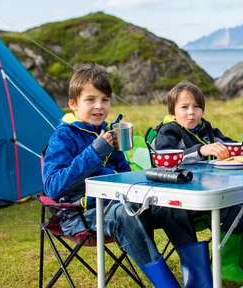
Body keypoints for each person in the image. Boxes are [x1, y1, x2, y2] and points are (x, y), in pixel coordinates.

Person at [43, 64, 211, 288]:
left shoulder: (107, 131)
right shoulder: (64, 136)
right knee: (126, 213)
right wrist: (94, 153)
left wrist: (119, 156)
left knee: (171, 206)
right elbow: (53, 186)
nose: (99, 106)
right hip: (78, 215)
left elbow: (124, 177)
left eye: (105, 99)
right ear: (73, 104)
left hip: (118, 204)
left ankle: (200, 283)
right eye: (90, 100)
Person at [155, 81, 243, 284]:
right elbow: (165, 158)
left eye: (196, 107)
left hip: (212, 192)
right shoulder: (168, 131)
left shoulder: (207, 128)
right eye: (184, 107)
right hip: (184, 201)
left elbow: (231, 144)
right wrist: (200, 150)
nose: (191, 113)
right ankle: (225, 265)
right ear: (172, 112)